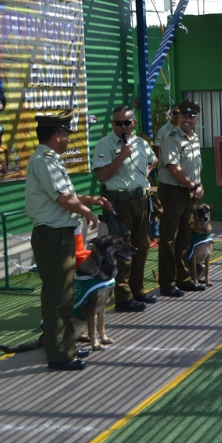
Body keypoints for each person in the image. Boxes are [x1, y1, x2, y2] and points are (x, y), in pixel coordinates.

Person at [25, 110, 112, 371]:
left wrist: (90, 200)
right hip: (52, 237)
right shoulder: (45, 161)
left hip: (58, 236)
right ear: (56, 135)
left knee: (63, 296)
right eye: (65, 135)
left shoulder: (49, 159)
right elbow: (62, 199)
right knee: (57, 297)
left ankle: (66, 348)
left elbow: (65, 195)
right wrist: (87, 212)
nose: (67, 140)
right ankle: (60, 355)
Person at [93, 105, 157, 311]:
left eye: (126, 123)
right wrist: (121, 155)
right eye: (118, 123)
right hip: (118, 202)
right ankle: (123, 297)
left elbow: (153, 160)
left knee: (142, 246)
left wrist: (143, 176)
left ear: (134, 123)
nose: (123, 127)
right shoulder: (105, 144)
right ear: (113, 124)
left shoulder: (140, 142)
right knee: (122, 249)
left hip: (140, 200)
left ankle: (137, 290)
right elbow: (101, 175)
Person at [157, 98, 205, 297]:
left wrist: (199, 185)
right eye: (183, 115)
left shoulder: (194, 138)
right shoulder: (171, 137)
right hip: (173, 192)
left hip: (188, 192)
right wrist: (193, 186)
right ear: (178, 116)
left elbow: (194, 167)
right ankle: (167, 283)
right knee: (169, 239)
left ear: (196, 118)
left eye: (191, 116)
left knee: (185, 237)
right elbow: (174, 169)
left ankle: (183, 279)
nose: (187, 119)